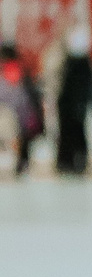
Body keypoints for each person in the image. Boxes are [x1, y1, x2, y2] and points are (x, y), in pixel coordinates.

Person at [54, 26, 92, 177]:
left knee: (76, 135)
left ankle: (76, 162)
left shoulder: (80, 64)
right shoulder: (73, 63)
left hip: (75, 108)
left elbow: (85, 88)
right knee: (69, 135)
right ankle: (68, 162)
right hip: (69, 108)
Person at [0, 42, 40, 177]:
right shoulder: (20, 71)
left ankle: (19, 165)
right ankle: (20, 165)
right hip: (22, 114)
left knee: (15, 140)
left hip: (11, 113)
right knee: (19, 141)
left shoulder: (10, 71)